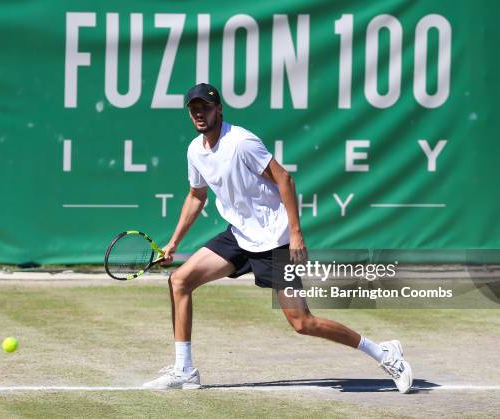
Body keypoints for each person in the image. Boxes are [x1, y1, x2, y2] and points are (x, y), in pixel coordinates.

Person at [142, 83, 413, 393]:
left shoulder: (242, 142)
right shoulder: (195, 150)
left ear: (219, 109)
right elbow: (195, 196)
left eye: (205, 107)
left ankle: (384, 354)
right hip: (239, 235)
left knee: (303, 323)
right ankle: (184, 369)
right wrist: (174, 242)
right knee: (179, 281)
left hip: (275, 240)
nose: (199, 113)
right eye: (194, 109)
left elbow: (285, 178)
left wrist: (296, 234)